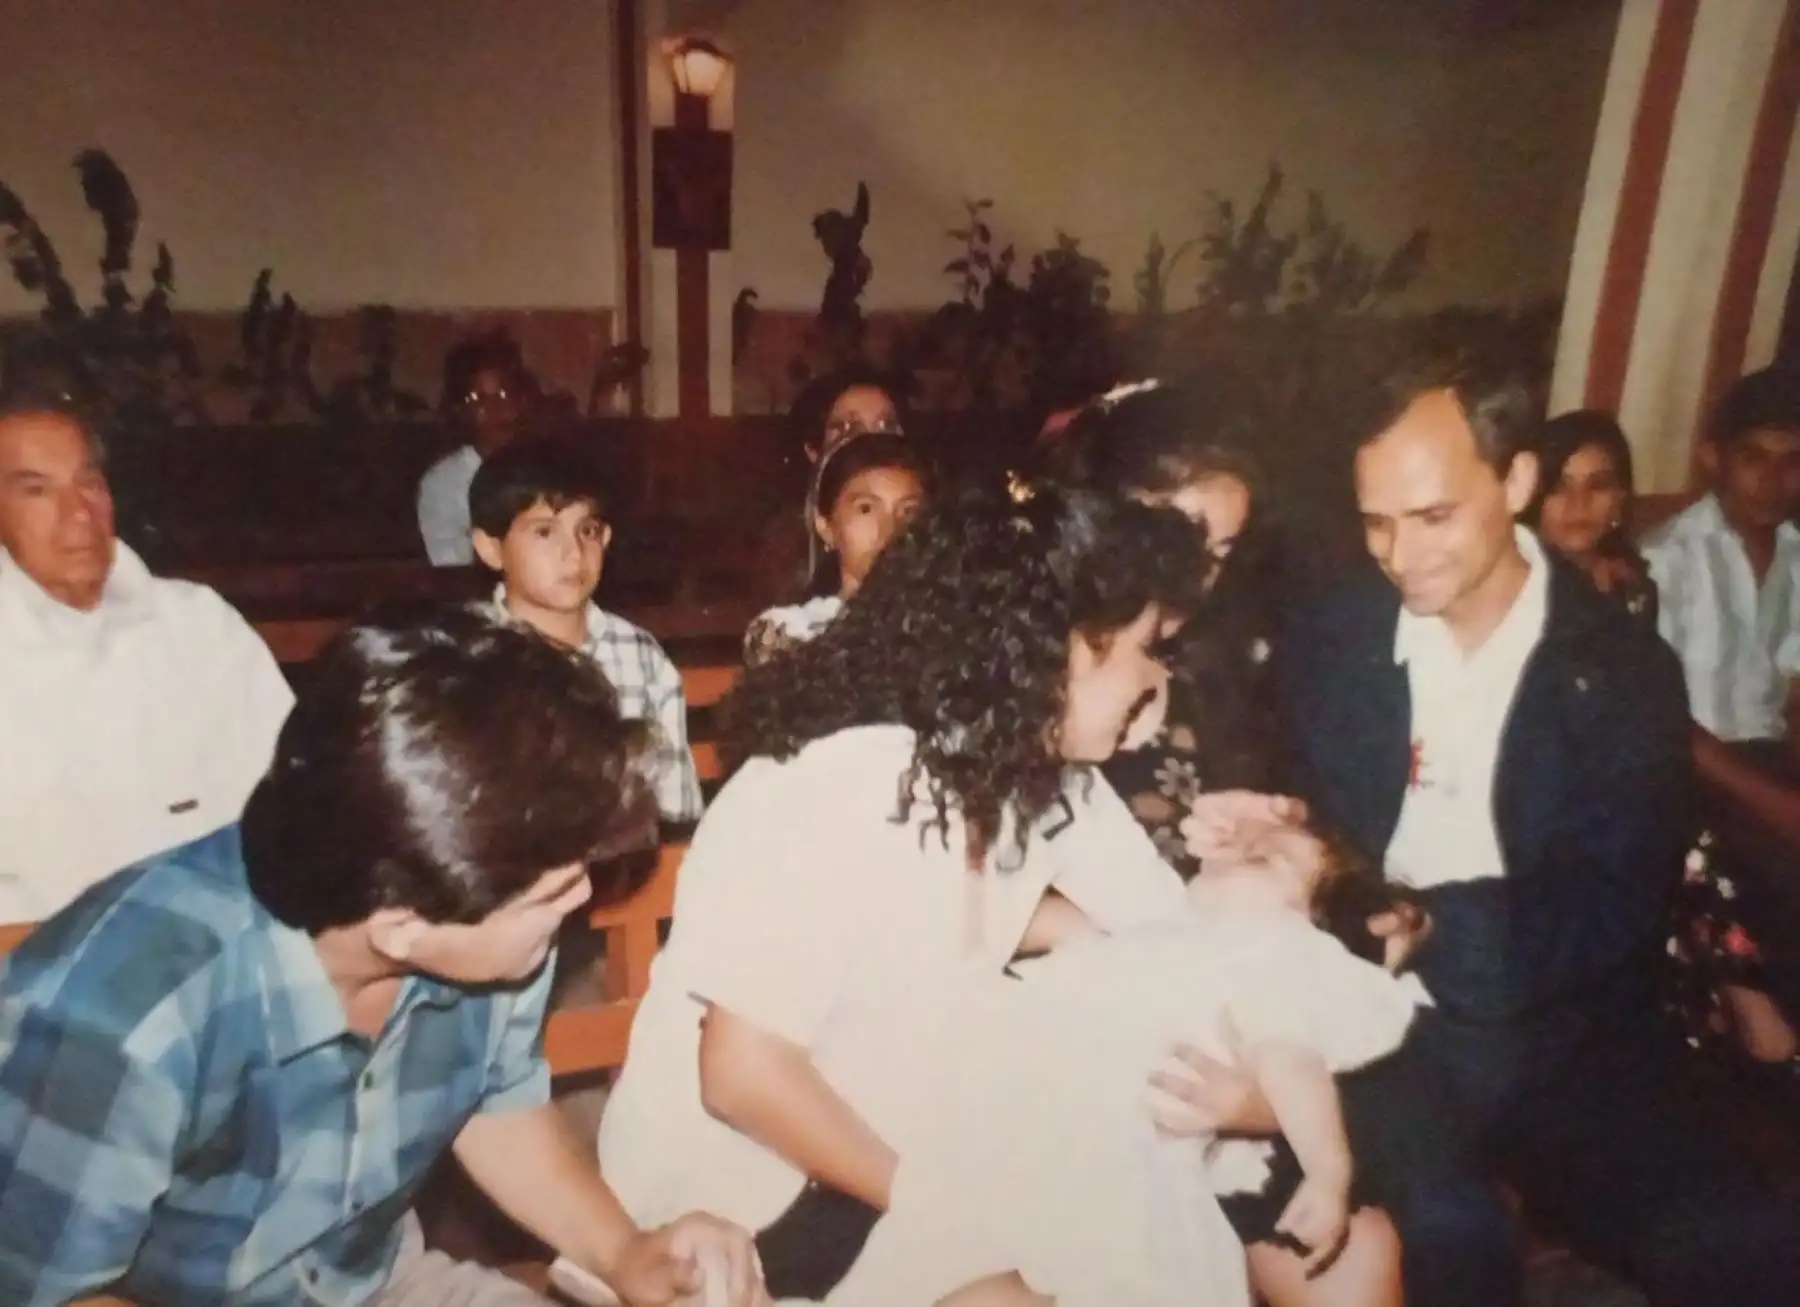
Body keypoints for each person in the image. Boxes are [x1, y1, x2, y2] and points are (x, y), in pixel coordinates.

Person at [580, 485, 1390, 1306]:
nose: (1157, 675)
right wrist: (955, 1212)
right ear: (1063, 648)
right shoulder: (845, 781)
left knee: (1307, 1253)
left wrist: (1301, 882)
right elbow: (742, 1074)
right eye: (1147, 646)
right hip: (740, 1206)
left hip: (893, 1168)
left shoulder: (1041, 779)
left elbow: (1185, 953)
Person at [0, 606, 764, 1307]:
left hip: (374, 1281)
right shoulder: (121, 1014)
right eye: (556, 891)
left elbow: (500, 1109)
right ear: (400, 928)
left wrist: (626, 1253)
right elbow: (51, 1291)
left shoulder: (476, 917)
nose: (580, 904)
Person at [1282, 351, 1800, 1307]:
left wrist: (1438, 927)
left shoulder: (1619, 667)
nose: (1400, 553)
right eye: (1377, 521)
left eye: (1433, 515)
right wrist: (1295, 850)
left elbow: (1616, 901)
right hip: (1382, 1029)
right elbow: (1303, 807)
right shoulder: (1337, 635)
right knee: (1452, 1238)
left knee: (1748, 1241)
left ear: (1516, 480)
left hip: (1566, 1028)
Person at [803, 819, 1421, 1307]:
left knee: (1066, 1279)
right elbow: (1014, 926)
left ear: (1311, 920)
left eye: (1263, 858)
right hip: (1009, 1124)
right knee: (927, 1265)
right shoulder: (1163, 935)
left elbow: (1289, 1060)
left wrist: (1327, 1171)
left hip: (1107, 1155)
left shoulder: (1274, 948)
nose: (1237, 850)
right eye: (1241, 842)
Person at [1528, 409, 1795, 1071]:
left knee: (1669, 807)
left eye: (1600, 484)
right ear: (1530, 495)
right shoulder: (1524, 585)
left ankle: (1743, 1014)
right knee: (1676, 822)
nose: (1581, 504)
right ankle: (1755, 1016)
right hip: (1549, 776)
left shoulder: (1630, 586)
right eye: (1561, 486)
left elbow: (1649, 702)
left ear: (1621, 498)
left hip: (1633, 762)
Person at [0, 382, 293, 923]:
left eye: (89, 481)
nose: (79, 511)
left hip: (220, 946)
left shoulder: (197, 624)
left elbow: (288, 802)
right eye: (37, 490)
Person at [1640, 365, 1800, 1069]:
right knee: (1777, 859)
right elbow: (1665, 721)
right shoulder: (1665, 560)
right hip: (1691, 770)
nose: (1776, 480)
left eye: (1794, 461)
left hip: (1765, 758)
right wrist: (1781, 804)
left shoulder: (1797, 552)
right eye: (1754, 457)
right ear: (1713, 458)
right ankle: (1772, 1041)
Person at [470, 438, 703, 825]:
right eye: (545, 533)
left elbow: (675, 806)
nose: (574, 553)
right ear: (491, 548)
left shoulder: (640, 655)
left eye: (588, 530)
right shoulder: (468, 659)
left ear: (606, 538)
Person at [742, 424, 931, 667]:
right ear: (825, 526)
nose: (890, 529)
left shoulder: (955, 630)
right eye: (866, 509)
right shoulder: (790, 633)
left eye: (908, 511)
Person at [419, 331, 537, 567]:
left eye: (503, 395)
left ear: (521, 401)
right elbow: (445, 558)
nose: (493, 408)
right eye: (477, 398)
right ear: (460, 409)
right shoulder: (443, 481)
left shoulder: (542, 468)